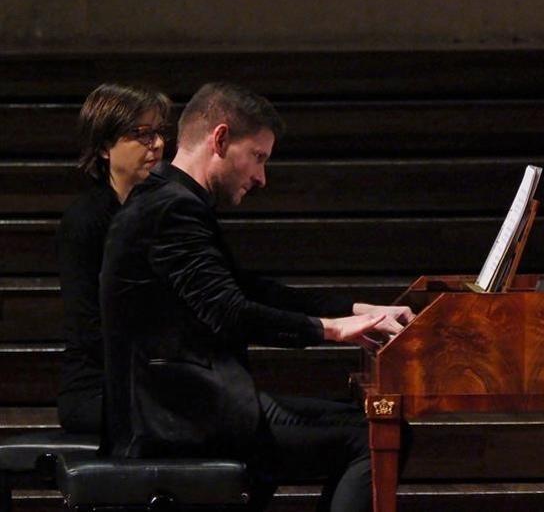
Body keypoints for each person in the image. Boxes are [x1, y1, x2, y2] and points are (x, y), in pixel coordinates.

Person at [100, 82, 412, 512]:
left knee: (374, 426)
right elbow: (229, 312)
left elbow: (245, 288)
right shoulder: (171, 209)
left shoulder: (170, 201)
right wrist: (331, 330)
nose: (262, 177)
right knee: (373, 438)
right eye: (259, 157)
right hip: (177, 420)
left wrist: (354, 310)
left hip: (190, 406)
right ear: (221, 139)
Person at [56, 83, 172, 434]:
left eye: (158, 132)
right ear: (105, 146)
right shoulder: (84, 220)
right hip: (97, 389)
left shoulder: (165, 211)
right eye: (141, 134)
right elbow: (89, 328)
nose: (157, 144)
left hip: (155, 380)